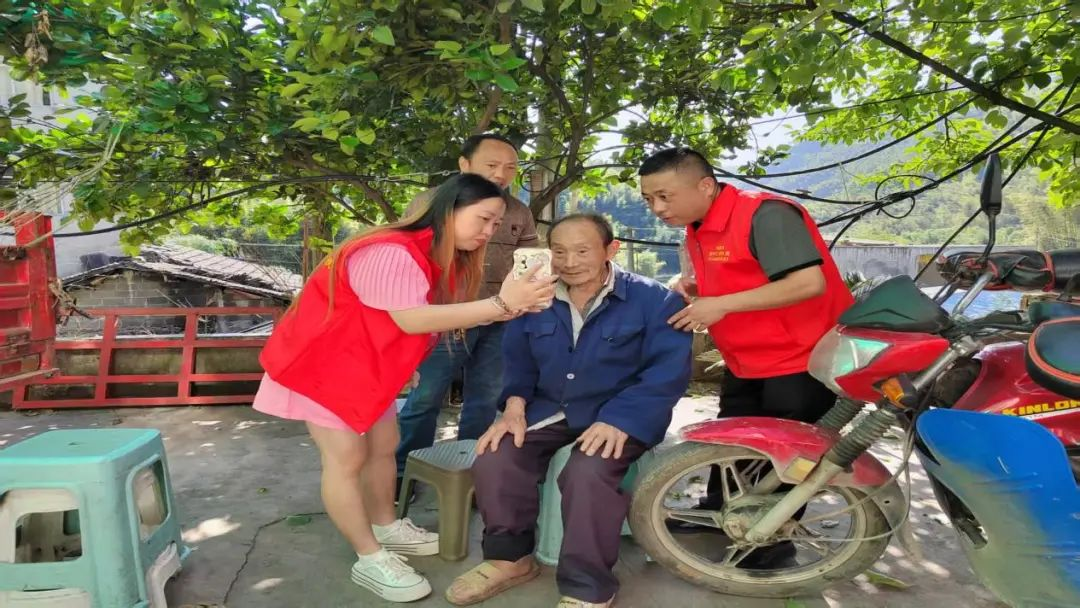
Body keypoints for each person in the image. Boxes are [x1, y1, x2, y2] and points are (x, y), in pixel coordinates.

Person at [254, 174, 556, 603]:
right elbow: (411, 319)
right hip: (322, 366)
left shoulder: (431, 255)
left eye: (496, 224)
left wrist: (409, 362)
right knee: (346, 459)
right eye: (484, 218)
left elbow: (399, 323)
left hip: (365, 367)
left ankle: (386, 525)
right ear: (449, 209)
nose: (489, 231)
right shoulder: (391, 251)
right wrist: (502, 304)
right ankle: (369, 557)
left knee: (384, 446)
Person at [445, 214, 692, 608]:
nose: (569, 262)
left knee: (588, 472)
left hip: (620, 414)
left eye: (582, 251)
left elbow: (667, 374)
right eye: (559, 252)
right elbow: (517, 360)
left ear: (610, 250)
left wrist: (620, 419)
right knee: (496, 455)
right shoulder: (534, 298)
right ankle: (510, 559)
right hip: (551, 407)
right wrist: (513, 405)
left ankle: (587, 585)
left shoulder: (656, 300)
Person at [638, 147, 854, 568]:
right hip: (747, 357)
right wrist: (700, 292)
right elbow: (744, 277)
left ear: (705, 185)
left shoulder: (766, 214)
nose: (657, 208)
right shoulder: (698, 224)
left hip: (801, 358)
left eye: (665, 196)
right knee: (732, 441)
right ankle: (718, 512)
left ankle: (771, 539)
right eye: (649, 199)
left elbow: (807, 283)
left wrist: (721, 305)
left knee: (786, 454)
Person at [396, 133, 540, 491]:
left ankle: (474, 473)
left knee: (485, 399)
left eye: (510, 168)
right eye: (491, 165)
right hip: (443, 319)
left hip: (501, 321)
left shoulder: (518, 211)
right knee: (424, 397)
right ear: (464, 164)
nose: (501, 174)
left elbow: (530, 261)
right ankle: (403, 474)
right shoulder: (430, 204)